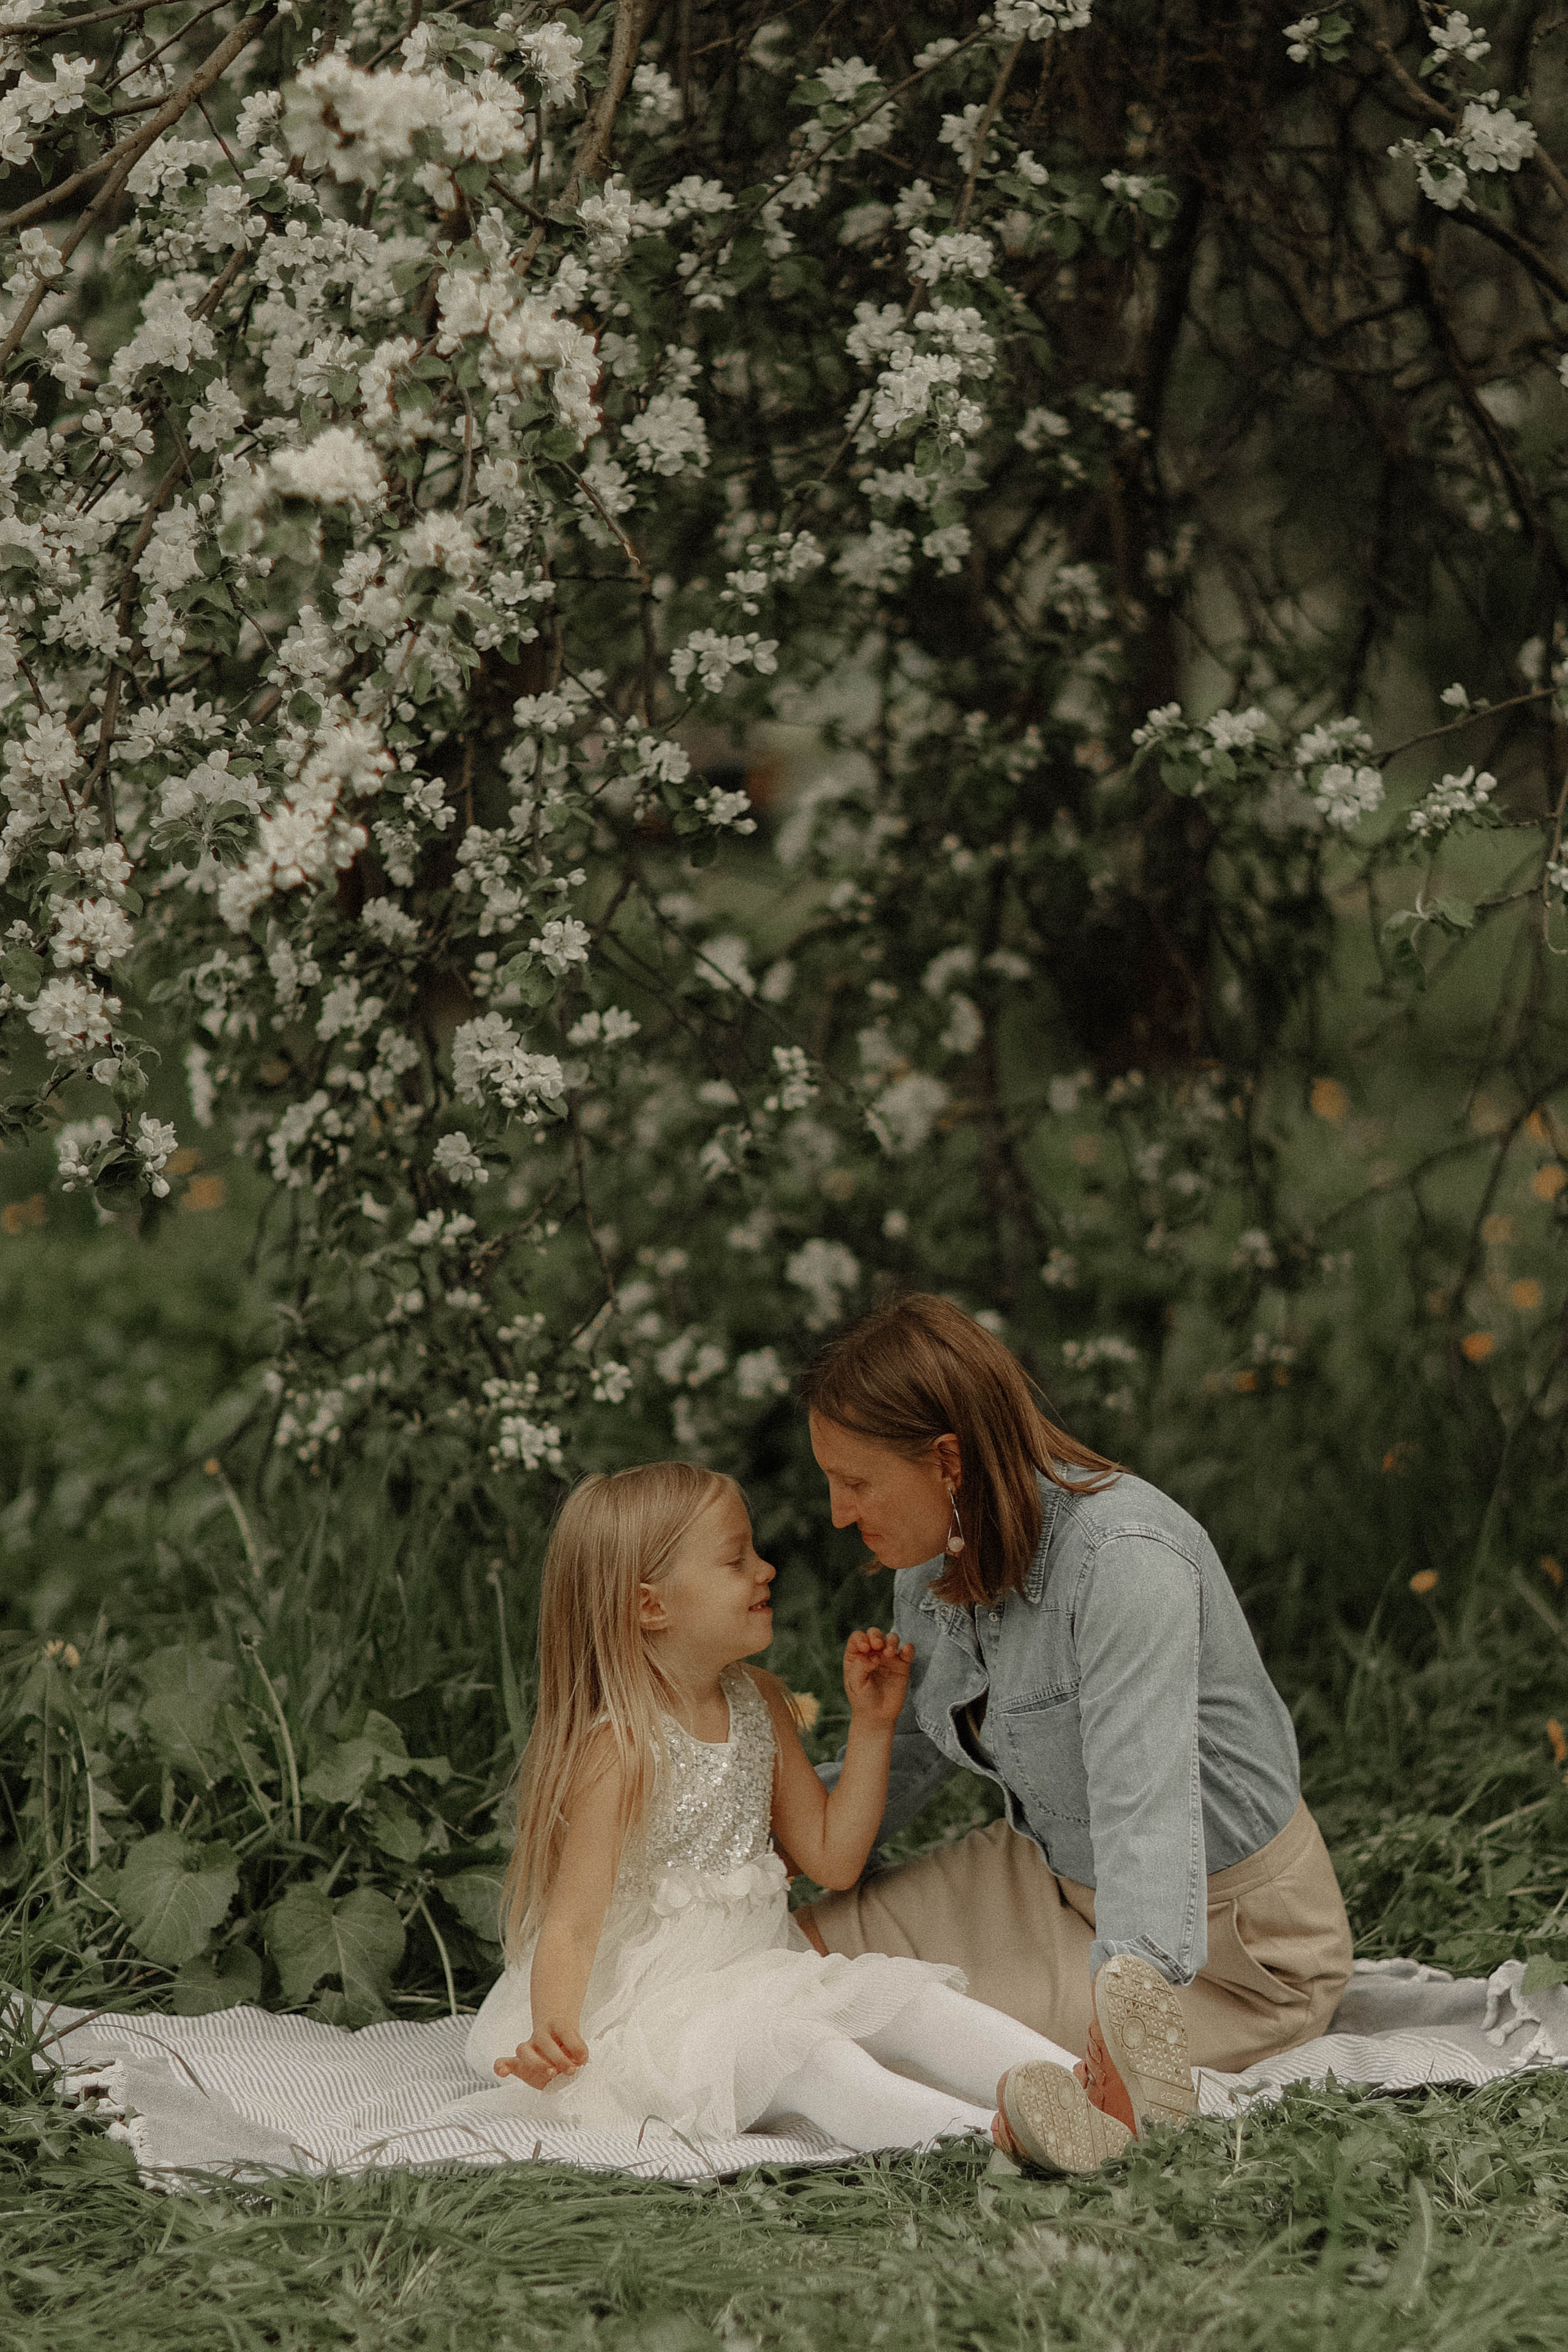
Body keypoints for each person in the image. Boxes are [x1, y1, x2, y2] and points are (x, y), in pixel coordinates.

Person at [793, 1293, 1354, 2170]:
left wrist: (1126, 2036)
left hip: (1221, 1942)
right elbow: (896, 1762)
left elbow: (1147, 1815)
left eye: (856, 1482)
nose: (836, 1513)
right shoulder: (934, 1561)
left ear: (947, 1461)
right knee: (792, 1967)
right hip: (1048, 1880)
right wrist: (726, 1849)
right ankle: (1047, 2097)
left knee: (880, 2023)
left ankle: (1088, 2116)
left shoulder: (1124, 1560)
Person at [466, 1460, 1143, 2166]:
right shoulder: (620, 1749)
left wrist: (872, 1726)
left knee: (908, 2003)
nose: (765, 1570)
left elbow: (831, 1858)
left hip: (763, 1972)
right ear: (651, 1607)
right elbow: (571, 1927)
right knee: (819, 2062)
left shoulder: (756, 1700)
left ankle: (1095, 2091)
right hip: (657, 2009)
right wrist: (553, 2030)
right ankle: (994, 2139)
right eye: (735, 1560)